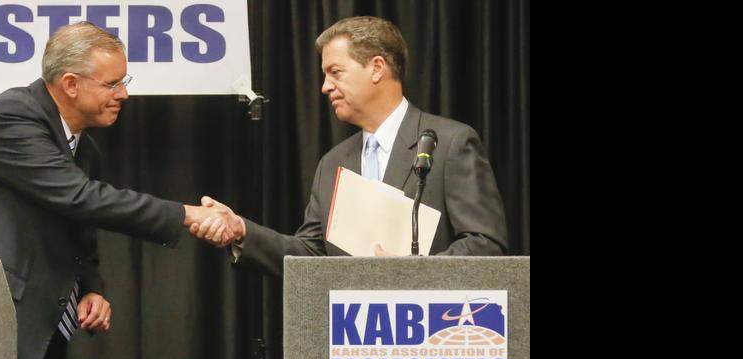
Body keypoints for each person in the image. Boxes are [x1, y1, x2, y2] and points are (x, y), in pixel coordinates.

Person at [0, 22, 241, 359]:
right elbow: (78, 197)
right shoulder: (13, 115)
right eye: (112, 84)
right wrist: (186, 215)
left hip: (34, 325)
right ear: (71, 84)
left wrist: (91, 288)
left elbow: (77, 230)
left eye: (123, 82)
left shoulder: (85, 151)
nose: (124, 94)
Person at [191, 16, 509, 274]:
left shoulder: (449, 144)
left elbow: (485, 245)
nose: (325, 86)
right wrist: (241, 230)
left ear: (377, 68)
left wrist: (412, 273)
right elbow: (311, 255)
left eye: (335, 72)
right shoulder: (333, 163)